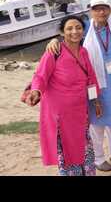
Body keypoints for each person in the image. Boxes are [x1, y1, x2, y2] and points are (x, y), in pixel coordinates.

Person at [46, 0, 111, 172]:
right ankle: (99, 158)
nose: (101, 11)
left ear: (109, 10)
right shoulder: (83, 30)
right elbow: (68, 36)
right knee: (96, 123)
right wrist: (54, 40)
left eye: (104, 8)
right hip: (93, 85)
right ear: (91, 11)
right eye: (96, 8)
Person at [26, 15, 100, 176]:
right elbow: (40, 76)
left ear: (83, 30)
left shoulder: (83, 51)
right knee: (67, 150)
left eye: (78, 28)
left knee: (83, 145)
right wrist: (36, 91)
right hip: (60, 114)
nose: (75, 31)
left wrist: (95, 101)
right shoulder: (54, 51)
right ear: (62, 32)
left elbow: (91, 77)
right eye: (69, 28)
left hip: (80, 111)